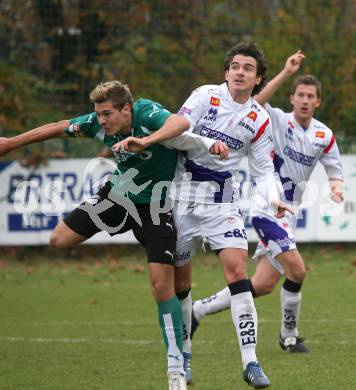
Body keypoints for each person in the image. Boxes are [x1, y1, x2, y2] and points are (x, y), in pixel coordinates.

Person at [0, 80, 228, 390]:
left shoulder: (147, 114)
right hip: (116, 199)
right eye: (99, 114)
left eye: (107, 114)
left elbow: (179, 126)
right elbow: (58, 126)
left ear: (126, 109)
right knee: (58, 240)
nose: (102, 120)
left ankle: (176, 369)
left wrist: (186, 142)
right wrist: (12, 143)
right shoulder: (97, 124)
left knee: (164, 288)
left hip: (156, 208)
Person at [113, 39, 293, 389]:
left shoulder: (258, 118)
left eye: (248, 69)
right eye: (235, 66)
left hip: (222, 199)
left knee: (238, 271)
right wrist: (192, 142)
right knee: (182, 283)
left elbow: (263, 170)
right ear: (226, 71)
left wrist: (275, 198)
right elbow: (176, 132)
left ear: (258, 79)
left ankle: (251, 362)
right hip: (181, 196)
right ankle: (185, 357)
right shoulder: (204, 96)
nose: (240, 72)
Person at [190, 51, 344, 356]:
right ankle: (289, 337)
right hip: (266, 207)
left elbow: (335, 171)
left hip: (289, 214)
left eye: (310, 96)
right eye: (299, 94)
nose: (303, 100)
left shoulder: (324, 135)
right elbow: (255, 102)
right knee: (298, 271)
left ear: (317, 102)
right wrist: (286, 72)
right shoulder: (276, 119)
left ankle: (197, 310)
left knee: (261, 285)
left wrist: (337, 186)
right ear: (291, 98)